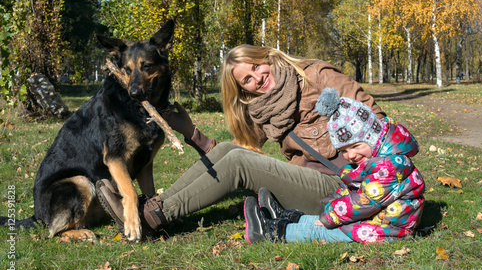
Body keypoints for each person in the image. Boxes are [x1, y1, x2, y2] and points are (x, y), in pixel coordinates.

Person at [96, 45, 386, 239]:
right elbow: (233, 157)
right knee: (229, 150)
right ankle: (156, 206)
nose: (257, 79)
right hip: (311, 181)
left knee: (237, 160)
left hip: (347, 188)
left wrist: (381, 182)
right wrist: (191, 132)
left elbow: (376, 118)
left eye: (257, 67)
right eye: (246, 80)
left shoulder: (316, 75)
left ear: (266, 57)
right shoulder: (264, 106)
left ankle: (152, 218)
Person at [244, 88, 425, 244]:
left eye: (356, 146)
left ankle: (272, 232)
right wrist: (336, 200)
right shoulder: (375, 157)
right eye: (344, 150)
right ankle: (291, 219)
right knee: (333, 219)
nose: (351, 155)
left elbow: (365, 202)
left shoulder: (389, 165)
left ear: (372, 137)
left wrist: (332, 213)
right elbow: (357, 186)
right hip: (380, 218)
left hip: (390, 228)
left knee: (329, 229)